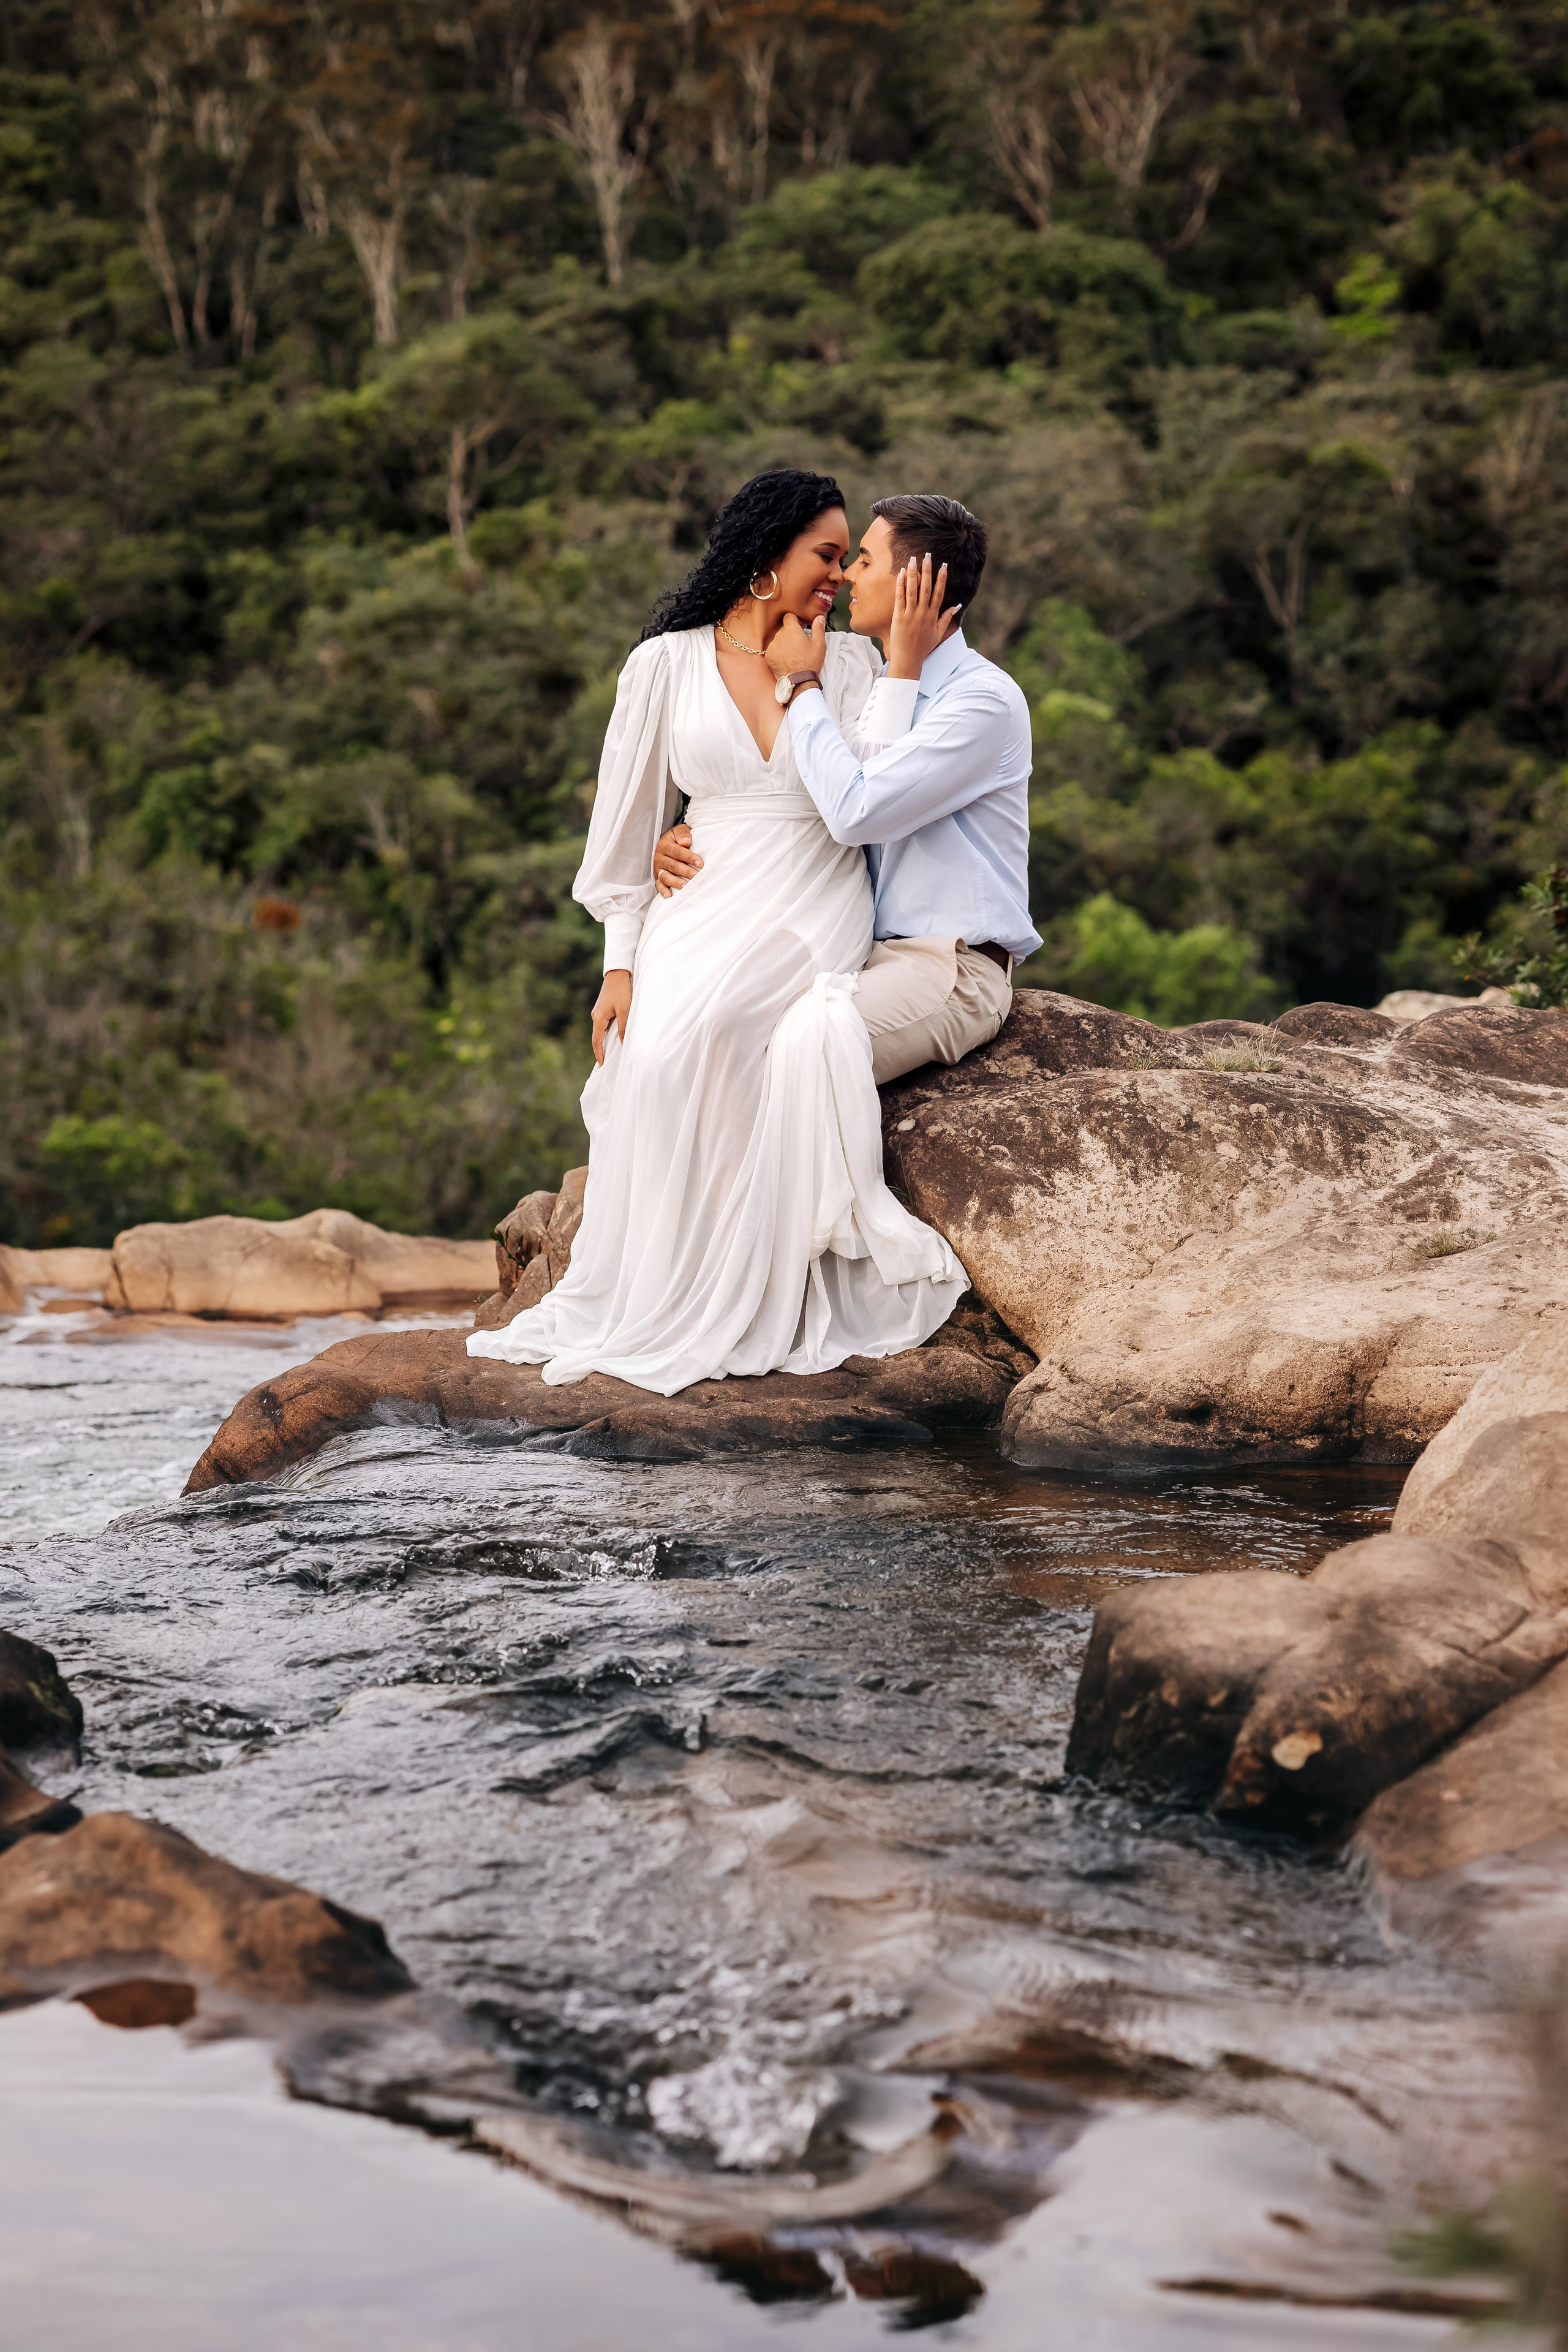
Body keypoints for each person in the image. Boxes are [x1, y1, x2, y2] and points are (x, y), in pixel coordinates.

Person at [466, 468, 969, 1396]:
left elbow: (881, 795)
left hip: (814, 892)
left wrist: (876, 661)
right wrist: (619, 964)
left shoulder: (851, 663)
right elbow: (624, 831)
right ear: (766, 557)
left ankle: (741, 1288)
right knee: (649, 1055)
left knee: (734, 1031)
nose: (836, 575)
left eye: (845, 557)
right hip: (699, 897)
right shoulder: (663, 664)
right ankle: (653, 1287)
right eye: (826, 554)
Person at [653, 494, 1040, 1084]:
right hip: (861, 955)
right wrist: (687, 834)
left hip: (950, 967)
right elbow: (806, 791)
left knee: (799, 1047)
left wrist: (801, 683)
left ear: (915, 584)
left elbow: (856, 810)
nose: (848, 577)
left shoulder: (980, 701)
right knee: (705, 1023)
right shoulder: (876, 682)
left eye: (863, 559)